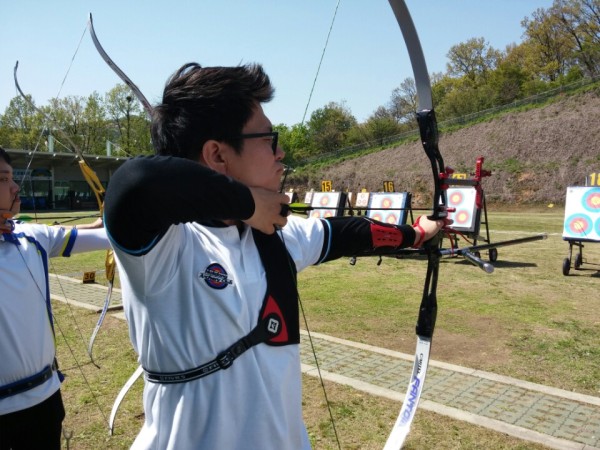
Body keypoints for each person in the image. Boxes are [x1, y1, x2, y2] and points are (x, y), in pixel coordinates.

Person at [103, 62, 447, 450]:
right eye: (268, 139)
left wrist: (416, 233)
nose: (280, 152)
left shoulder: (274, 235)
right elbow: (134, 183)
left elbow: (347, 233)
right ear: (217, 154)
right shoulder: (167, 248)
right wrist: (248, 203)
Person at [0, 146, 110, 450]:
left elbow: (104, 234)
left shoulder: (31, 236)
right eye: (3, 179)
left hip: (44, 400)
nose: (15, 187)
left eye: (12, 177)